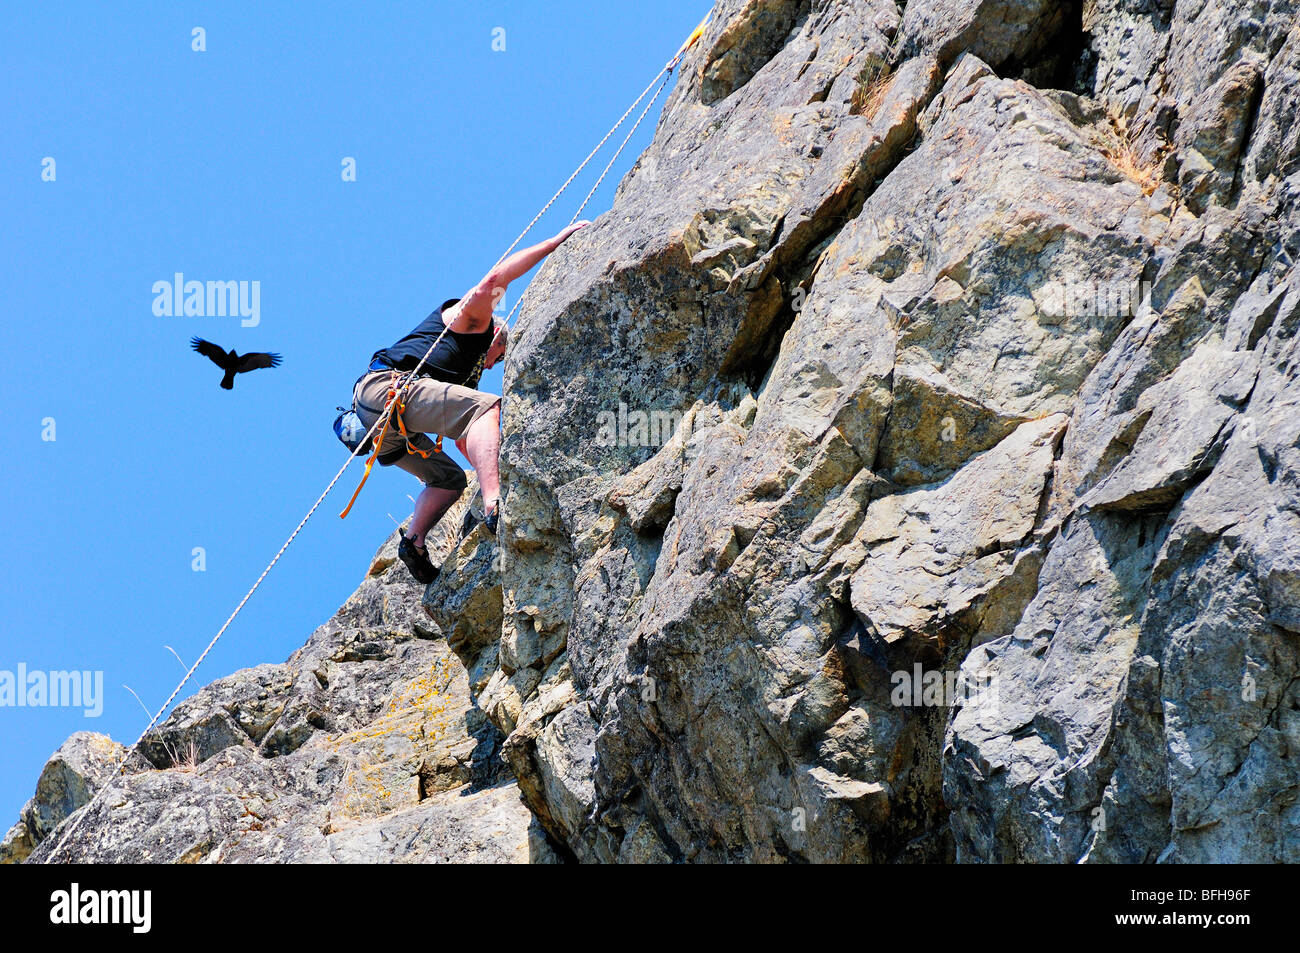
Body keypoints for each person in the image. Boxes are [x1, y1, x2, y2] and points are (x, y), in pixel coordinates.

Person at [352, 221, 589, 583]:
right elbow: (494, 281)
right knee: (488, 406)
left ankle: (413, 542)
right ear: (497, 334)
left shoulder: (465, 378)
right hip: (387, 390)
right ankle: (496, 507)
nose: (494, 363)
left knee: (449, 482)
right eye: (499, 353)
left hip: (388, 431)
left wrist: (487, 466)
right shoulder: (474, 322)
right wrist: (556, 243)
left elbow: (468, 437)